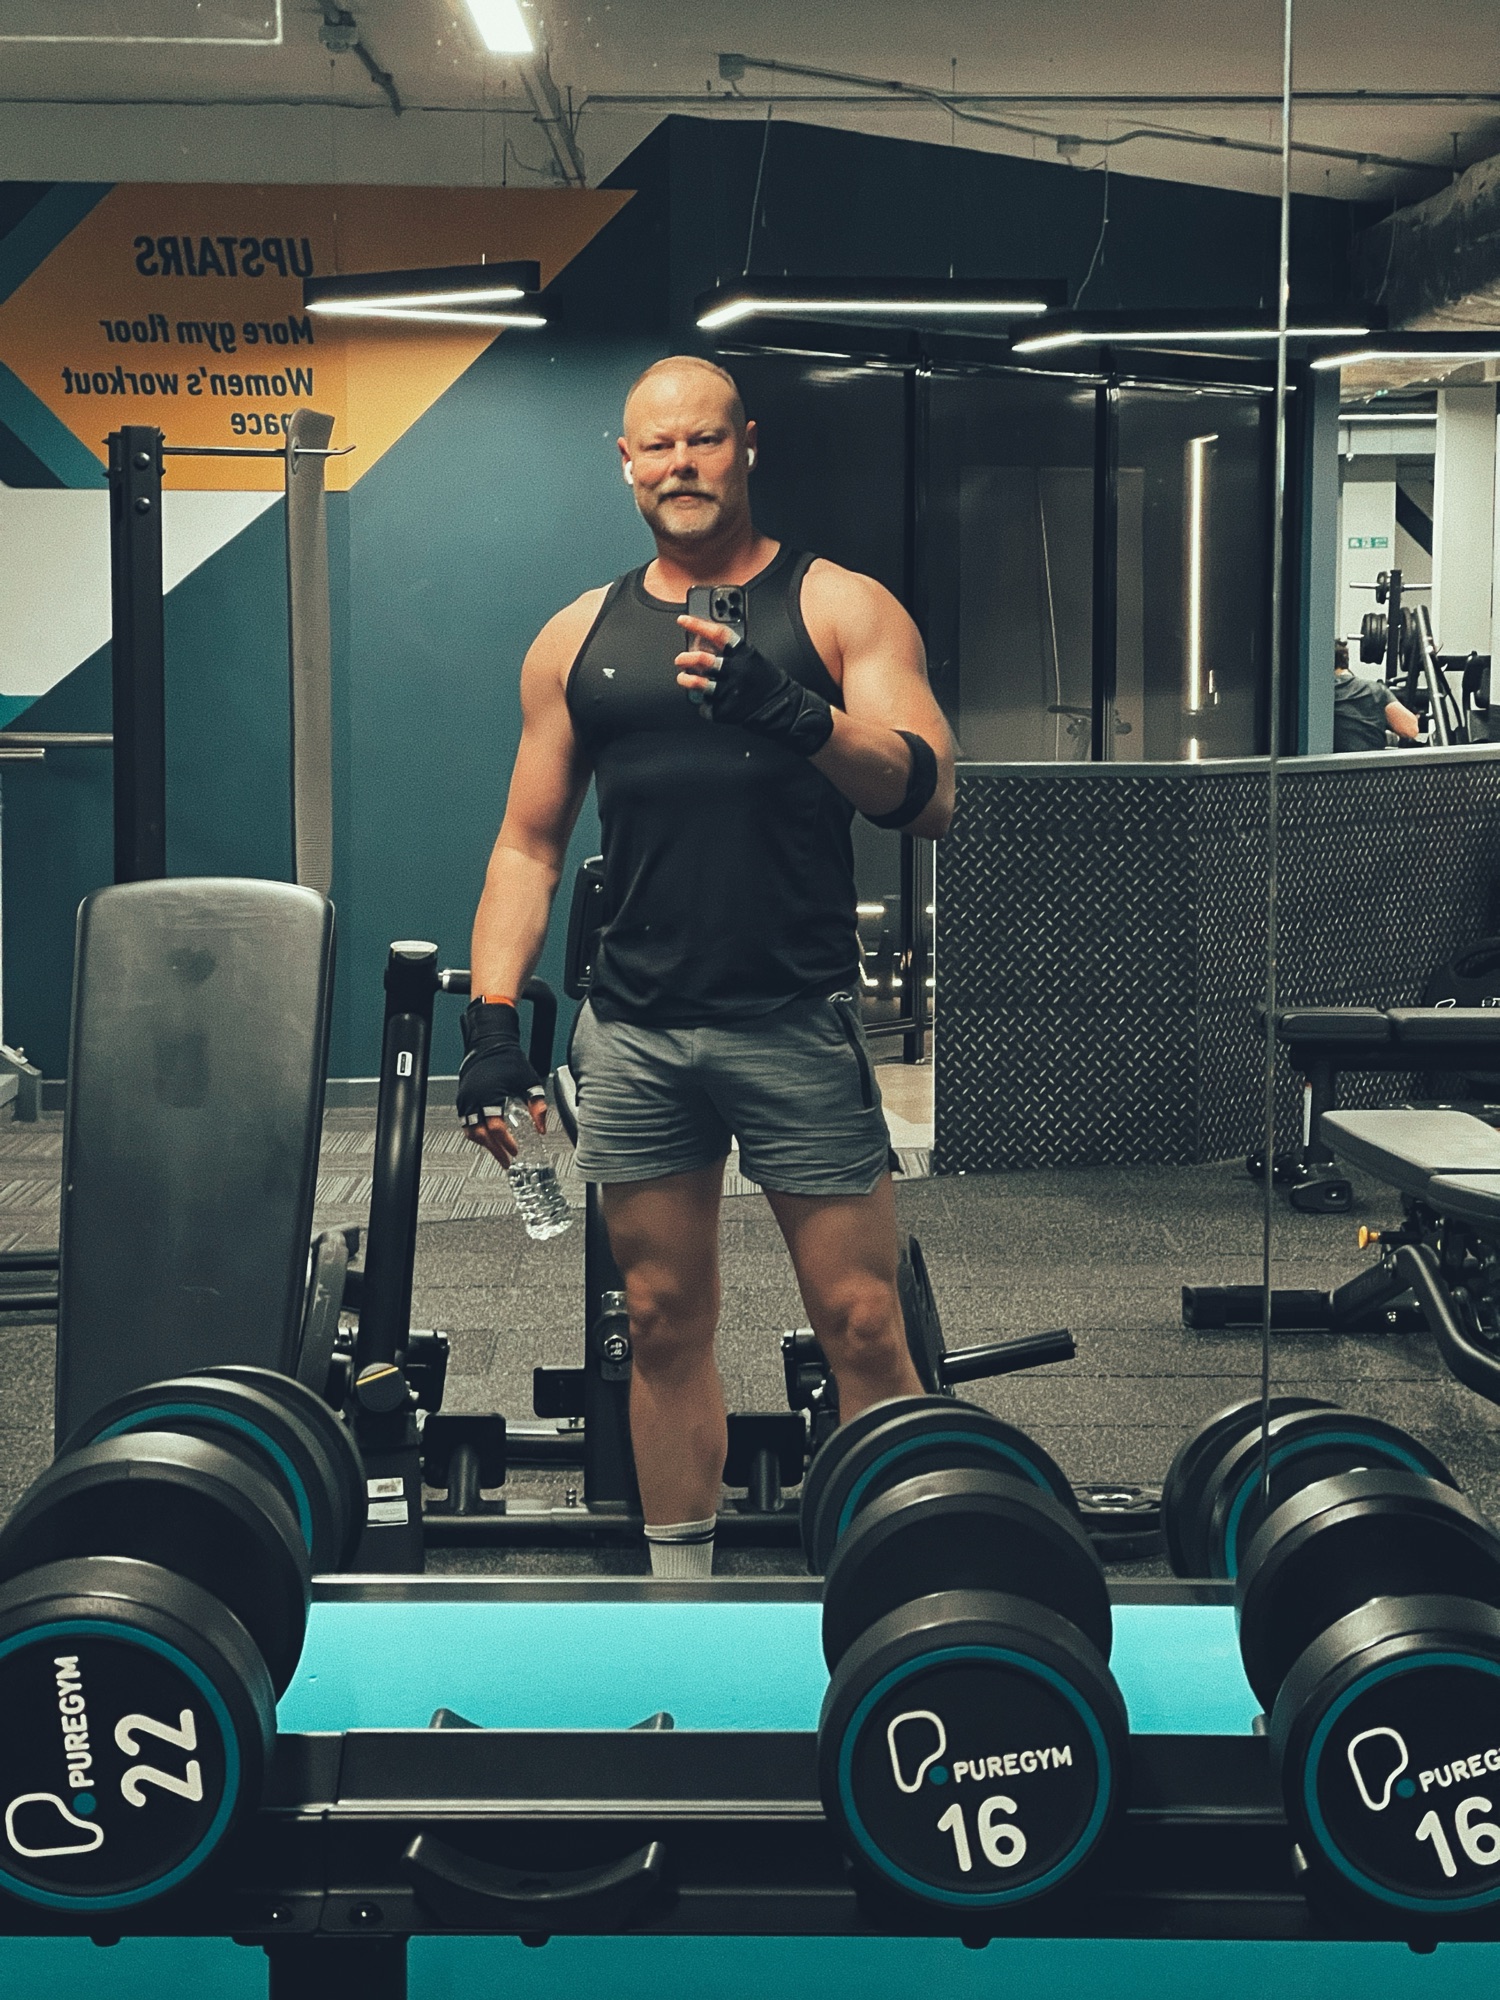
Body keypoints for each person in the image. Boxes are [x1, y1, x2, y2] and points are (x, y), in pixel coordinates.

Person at [456, 353, 956, 1576]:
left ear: (747, 445)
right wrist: (491, 1024)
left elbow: (930, 792)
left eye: (705, 439)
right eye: (658, 445)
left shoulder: (839, 606)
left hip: (792, 1019)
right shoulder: (577, 636)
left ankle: (906, 1585)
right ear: (625, 463)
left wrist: (792, 710)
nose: (681, 464)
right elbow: (526, 845)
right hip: (635, 1033)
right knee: (659, 1317)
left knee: (862, 1319)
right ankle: (681, 1598)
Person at [1333, 637, 1421, 751]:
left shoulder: (1317, 695)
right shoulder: (1375, 690)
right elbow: (1410, 729)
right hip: (1371, 762)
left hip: (1329, 761)